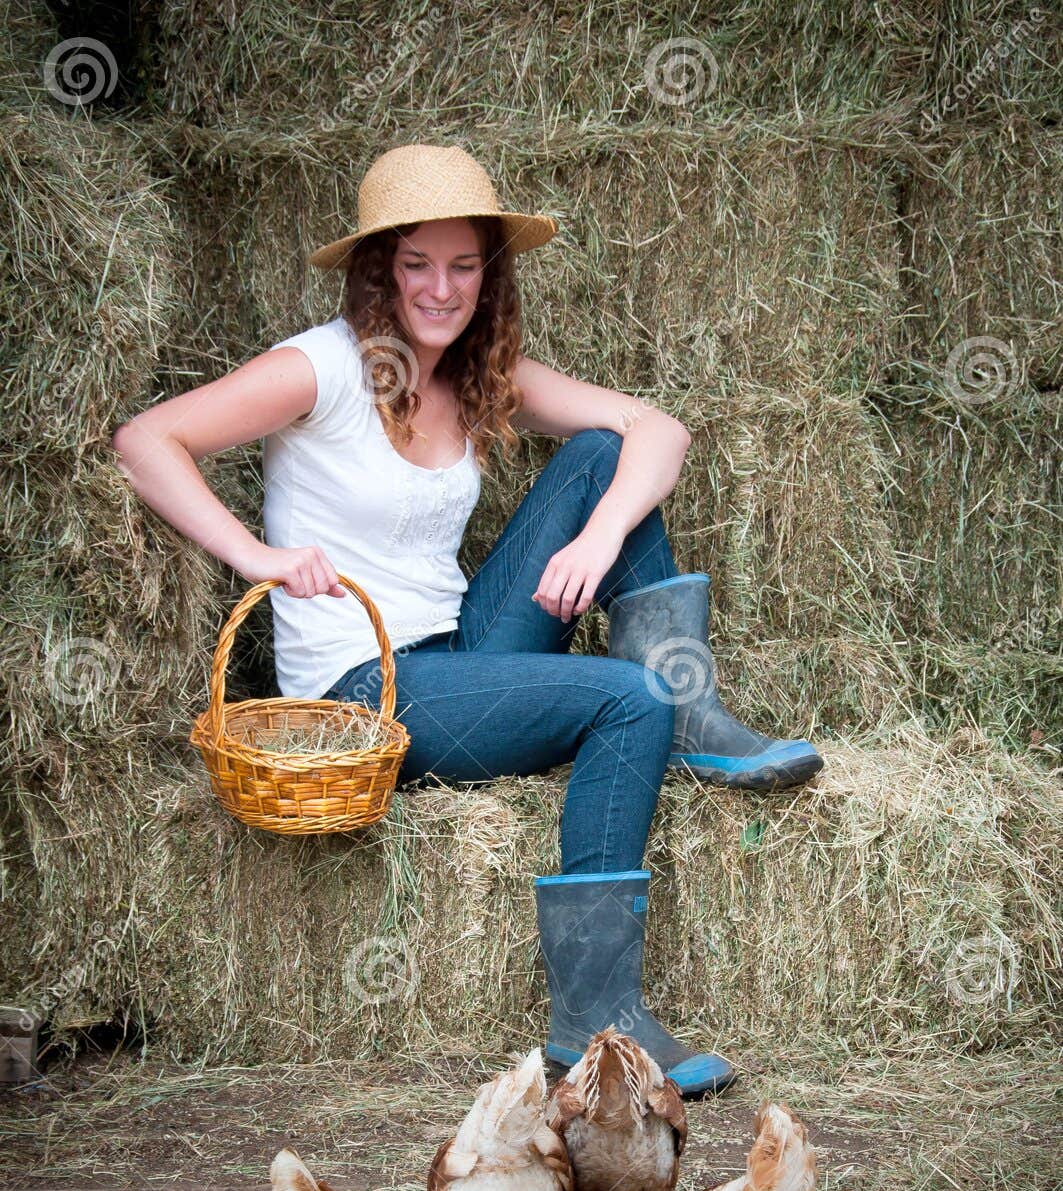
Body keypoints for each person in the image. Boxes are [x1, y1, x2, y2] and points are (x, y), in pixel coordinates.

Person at [111, 143, 823, 1099]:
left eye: (463, 264)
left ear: (490, 275)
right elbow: (145, 439)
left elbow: (661, 431)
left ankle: (691, 720)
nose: (440, 289)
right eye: (416, 264)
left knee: (600, 454)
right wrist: (258, 558)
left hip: (466, 649)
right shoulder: (318, 369)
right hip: (370, 687)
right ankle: (593, 1016)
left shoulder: (483, 371)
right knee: (626, 701)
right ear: (378, 271)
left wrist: (599, 536)